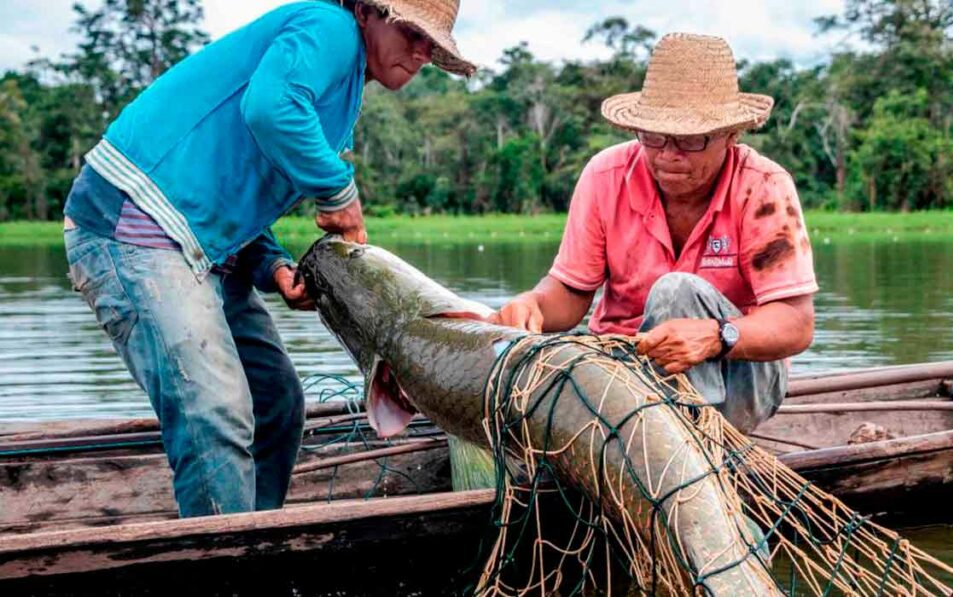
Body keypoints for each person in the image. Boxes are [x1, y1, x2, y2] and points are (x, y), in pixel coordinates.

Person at [61, 0, 475, 517]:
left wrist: (274, 267)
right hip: (133, 227)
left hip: (201, 249)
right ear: (368, 11)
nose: (420, 53)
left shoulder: (342, 89)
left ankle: (256, 539)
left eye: (431, 44)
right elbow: (270, 108)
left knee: (276, 403)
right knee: (215, 412)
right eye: (412, 32)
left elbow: (236, 192)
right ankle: (229, 564)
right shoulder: (330, 27)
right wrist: (338, 192)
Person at [489, 33, 817, 433]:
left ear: (731, 135)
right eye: (654, 137)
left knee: (677, 291)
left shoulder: (762, 186)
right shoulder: (605, 176)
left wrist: (717, 337)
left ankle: (693, 441)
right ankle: (647, 434)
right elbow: (572, 293)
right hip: (625, 374)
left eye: (691, 140)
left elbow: (795, 323)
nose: (668, 155)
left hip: (740, 378)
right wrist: (534, 304)